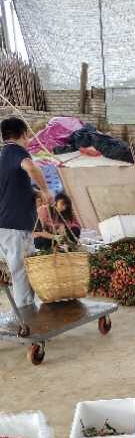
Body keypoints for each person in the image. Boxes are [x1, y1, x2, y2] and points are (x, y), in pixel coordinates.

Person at [0, 116, 52, 307]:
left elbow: (13, 188)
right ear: (23, 134)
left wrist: (36, 192)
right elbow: (31, 168)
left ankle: (28, 314)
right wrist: (46, 190)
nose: (29, 140)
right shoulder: (16, 151)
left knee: (26, 269)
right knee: (21, 273)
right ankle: (25, 321)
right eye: (28, 136)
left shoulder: (4, 155)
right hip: (14, 226)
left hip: (13, 226)